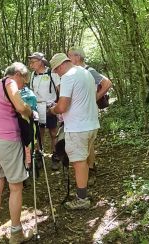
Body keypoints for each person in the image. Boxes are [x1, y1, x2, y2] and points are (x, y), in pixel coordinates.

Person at [0, 62, 34, 243]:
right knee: (15, 187)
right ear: (18, 74)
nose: (23, 85)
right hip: (7, 140)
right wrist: (30, 111)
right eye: (24, 81)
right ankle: (16, 233)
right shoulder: (10, 83)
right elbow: (20, 107)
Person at [49, 53, 99, 210]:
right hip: (91, 124)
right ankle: (82, 192)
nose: (57, 74)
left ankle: (81, 199)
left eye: (57, 70)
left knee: (78, 163)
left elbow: (63, 106)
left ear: (61, 65)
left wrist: (53, 109)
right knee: (82, 161)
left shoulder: (68, 77)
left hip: (78, 127)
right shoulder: (86, 73)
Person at [68, 47, 112, 185]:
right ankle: (85, 171)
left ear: (77, 57)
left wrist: (95, 98)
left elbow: (107, 83)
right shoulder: (74, 73)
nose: (68, 59)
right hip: (79, 114)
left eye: (70, 56)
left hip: (89, 113)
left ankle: (91, 169)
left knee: (89, 143)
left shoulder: (89, 71)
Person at [28, 52, 61, 170]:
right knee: (39, 133)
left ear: (41, 62)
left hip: (50, 107)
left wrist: (59, 105)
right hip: (37, 108)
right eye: (30, 62)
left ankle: (55, 156)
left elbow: (60, 90)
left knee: (53, 133)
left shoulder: (52, 73)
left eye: (33, 62)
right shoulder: (32, 75)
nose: (31, 64)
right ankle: (39, 157)